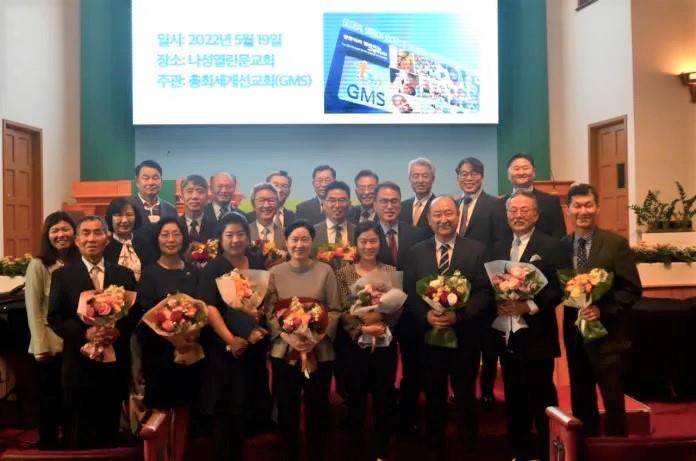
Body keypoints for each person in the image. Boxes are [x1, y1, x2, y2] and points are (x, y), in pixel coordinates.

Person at [406, 196, 492, 459]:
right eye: (437, 214)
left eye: (449, 213)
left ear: (458, 216)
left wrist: (458, 317)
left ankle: (469, 448)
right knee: (434, 395)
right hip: (429, 338)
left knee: (465, 396)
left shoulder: (477, 250)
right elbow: (408, 293)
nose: (443, 219)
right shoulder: (415, 252)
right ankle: (435, 447)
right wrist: (426, 316)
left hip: (464, 338)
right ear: (429, 219)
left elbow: (484, 292)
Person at [490, 192, 570, 461]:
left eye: (525, 210)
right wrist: (498, 303)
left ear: (536, 215)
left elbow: (560, 287)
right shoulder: (498, 246)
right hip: (507, 334)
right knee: (513, 396)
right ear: (506, 215)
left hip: (538, 335)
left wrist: (529, 306)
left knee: (541, 394)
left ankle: (549, 450)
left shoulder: (552, 245)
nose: (518, 215)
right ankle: (519, 451)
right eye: (513, 210)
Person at [48, 215, 138, 448]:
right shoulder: (62, 276)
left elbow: (135, 314)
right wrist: (84, 334)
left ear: (107, 238)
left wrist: (118, 331)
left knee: (109, 427)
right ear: (77, 240)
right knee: (78, 431)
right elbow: (55, 317)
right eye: (85, 233)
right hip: (78, 364)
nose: (91, 239)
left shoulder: (124, 275)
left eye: (97, 232)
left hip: (114, 363)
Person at [561, 183, 642, 437]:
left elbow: (632, 289)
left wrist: (601, 309)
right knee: (581, 396)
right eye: (577, 206)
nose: (583, 211)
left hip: (608, 335)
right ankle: (586, 445)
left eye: (588, 205)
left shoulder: (615, 244)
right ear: (568, 210)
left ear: (597, 208)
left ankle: (616, 448)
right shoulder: (561, 245)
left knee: (612, 396)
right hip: (575, 335)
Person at [196, 212, 270, 459]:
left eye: (240, 234)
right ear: (220, 239)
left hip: (253, 346)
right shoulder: (214, 267)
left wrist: (258, 317)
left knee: (246, 407)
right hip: (224, 349)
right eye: (229, 235)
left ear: (248, 237)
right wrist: (231, 339)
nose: (235, 240)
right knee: (225, 408)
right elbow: (209, 307)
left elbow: (264, 299)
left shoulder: (257, 261)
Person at [265, 220, 341, 461]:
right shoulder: (275, 273)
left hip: (319, 351)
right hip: (284, 351)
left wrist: (315, 338)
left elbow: (335, 309)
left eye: (305, 239)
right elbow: (269, 311)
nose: (299, 244)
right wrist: (288, 337)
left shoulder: (325, 271)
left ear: (312, 242)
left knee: (317, 407)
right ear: (286, 242)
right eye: (294, 239)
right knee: (286, 407)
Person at [135, 217, 201, 461]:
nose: (171, 239)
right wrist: (174, 340)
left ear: (183, 237)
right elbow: (145, 313)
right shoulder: (150, 272)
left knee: (184, 409)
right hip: (159, 354)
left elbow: (202, 309)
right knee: (160, 409)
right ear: (157, 239)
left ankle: (179, 456)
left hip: (189, 352)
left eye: (176, 234)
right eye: (165, 234)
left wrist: (190, 336)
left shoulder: (193, 271)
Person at [335, 221, 399, 461]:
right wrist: (361, 328)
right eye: (363, 241)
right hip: (354, 347)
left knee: (384, 398)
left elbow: (398, 308)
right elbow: (343, 309)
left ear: (380, 243)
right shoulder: (344, 273)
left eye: (373, 240)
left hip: (384, 343)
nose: (368, 246)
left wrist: (381, 322)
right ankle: (356, 450)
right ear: (356, 243)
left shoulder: (391, 271)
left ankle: (382, 451)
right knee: (356, 400)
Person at [372, 181, 427, 433]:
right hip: (379, 314)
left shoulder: (416, 233)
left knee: (413, 368)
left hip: (412, 312)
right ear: (375, 205)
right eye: (384, 201)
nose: (390, 206)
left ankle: (408, 415)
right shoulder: (367, 234)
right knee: (382, 369)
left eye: (394, 201)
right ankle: (383, 416)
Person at [24, 211, 80, 449]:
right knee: (49, 397)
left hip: (75, 341)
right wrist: (40, 346)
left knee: (72, 397)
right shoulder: (38, 265)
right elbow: (33, 307)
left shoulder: (79, 263)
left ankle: (71, 441)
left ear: (75, 233)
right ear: (47, 235)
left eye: (66, 229)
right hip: (48, 342)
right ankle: (48, 443)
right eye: (55, 230)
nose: (61, 235)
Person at [453, 158, 502, 405]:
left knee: (488, 342)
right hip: (457, 283)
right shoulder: (453, 205)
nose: (468, 178)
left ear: (482, 177)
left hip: (485, 281)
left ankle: (487, 390)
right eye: (463, 174)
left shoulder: (495, 205)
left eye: (473, 173)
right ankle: (462, 391)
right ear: (458, 178)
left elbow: (499, 242)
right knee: (464, 342)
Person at [495, 153, 566, 242]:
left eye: (525, 168)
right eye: (516, 169)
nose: (521, 173)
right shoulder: (498, 204)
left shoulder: (550, 202)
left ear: (534, 172)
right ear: (508, 175)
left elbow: (559, 237)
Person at [104, 198, 148, 280]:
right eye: (119, 215)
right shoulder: (104, 248)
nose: (124, 220)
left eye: (129, 215)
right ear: (110, 218)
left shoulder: (145, 244)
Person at [132, 160, 177, 225]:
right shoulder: (129, 207)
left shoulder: (171, 210)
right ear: (137, 182)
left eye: (155, 178)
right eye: (146, 178)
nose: (151, 183)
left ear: (161, 181)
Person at [401, 157, 437, 236]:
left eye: (425, 176)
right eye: (416, 176)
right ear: (410, 179)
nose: (420, 180)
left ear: (433, 179)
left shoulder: (438, 206)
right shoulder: (402, 206)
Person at [313, 181, 355, 245]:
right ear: (323, 204)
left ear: (349, 204)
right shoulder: (312, 232)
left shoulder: (357, 232)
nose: (337, 205)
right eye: (332, 200)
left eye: (342, 200)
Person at [178, 174, 217, 244]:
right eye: (189, 191)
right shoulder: (175, 225)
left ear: (207, 197)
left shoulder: (217, 227)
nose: (194, 196)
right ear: (182, 196)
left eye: (200, 191)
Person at [248, 182, 287, 250]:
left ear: (278, 204)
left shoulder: (286, 233)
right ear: (253, 205)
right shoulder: (245, 232)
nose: (266, 205)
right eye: (261, 200)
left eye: (271, 200)